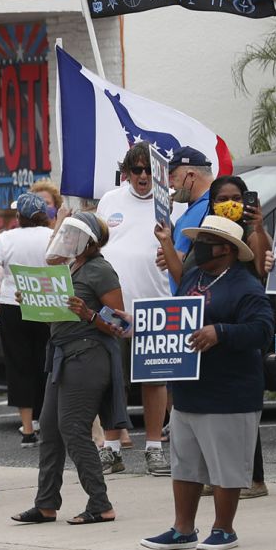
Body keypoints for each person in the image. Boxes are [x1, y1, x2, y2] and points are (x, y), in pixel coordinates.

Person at [140, 217, 274, 550]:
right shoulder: (194, 276)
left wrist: (221, 332)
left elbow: (262, 330)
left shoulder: (246, 285)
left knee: (226, 465)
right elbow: (177, 313)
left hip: (228, 391)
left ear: (227, 250)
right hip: (189, 390)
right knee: (185, 463)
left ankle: (224, 529)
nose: (198, 246)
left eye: (206, 240)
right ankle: (183, 528)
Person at [157, 178, 275, 500]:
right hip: (198, 361)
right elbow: (184, 284)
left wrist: (259, 226)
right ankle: (212, 482)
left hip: (234, 343)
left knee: (235, 425)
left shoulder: (247, 236)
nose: (230, 203)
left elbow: (263, 270)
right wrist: (167, 244)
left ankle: (250, 479)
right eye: (223, 198)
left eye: (236, 198)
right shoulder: (205, 237)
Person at [11, 214, 126, 526]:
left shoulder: (100, 269)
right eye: (67, 232)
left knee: (73, 429)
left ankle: (101, 504)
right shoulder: (70, 267)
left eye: (75, 233)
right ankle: (46, 504)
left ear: (89, 240)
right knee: (49, 429)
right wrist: (32, 299)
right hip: (63, 355)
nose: (68, 238)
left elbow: (122, 324)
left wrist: (89, 313)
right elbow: (55, 313)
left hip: (87, 354)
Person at [94, 142, 176, 475]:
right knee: (111, 379)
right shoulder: (111, 200)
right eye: (136, 170)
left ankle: (154, 448)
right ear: (126, 172)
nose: (142, 176)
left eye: (148, 170)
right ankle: (111, 449)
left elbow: (182, 250)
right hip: (112, 305)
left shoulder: (169, 203)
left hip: (155, 303)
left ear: (158, 173)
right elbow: (96, 242)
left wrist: (169, 250)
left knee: (154, 380)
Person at [0, 193, 55, 446]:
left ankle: (26, 429)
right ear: (43, 214)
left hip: (13, 305)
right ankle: (47, 423)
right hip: (45, 304)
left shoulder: (7, 238)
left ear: (19, 216)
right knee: (46, 363)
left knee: (19, 366)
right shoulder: (51, 235)